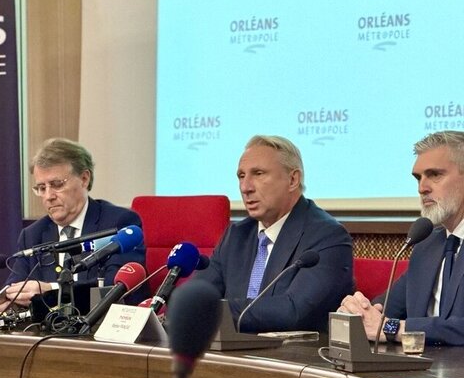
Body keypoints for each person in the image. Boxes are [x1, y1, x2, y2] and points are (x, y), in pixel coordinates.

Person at [196, 135, 353, 333]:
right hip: (230, 347)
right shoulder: (237, 235)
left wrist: (207, 311)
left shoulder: (327, 236)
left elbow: (292, 311)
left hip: (291, 351)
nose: (245, 187)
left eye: (258, 174)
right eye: (241, 176)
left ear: (293, 180)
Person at [0, 138, 146, 312]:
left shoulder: (119, 223)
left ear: (84, 179)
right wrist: (7, 302)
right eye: (41, 188)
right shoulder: (32, 235)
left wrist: (52, 291)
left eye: (57, 185)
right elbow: (16, 285)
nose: (48, 196)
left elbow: (115, 288)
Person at [340, 131, 464, 346]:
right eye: (418, 178)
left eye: (435, 174)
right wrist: (359, 311)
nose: (422, 188)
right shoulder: (427, 244)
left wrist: (394, 329)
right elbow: (387, 308)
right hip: (423, 364)